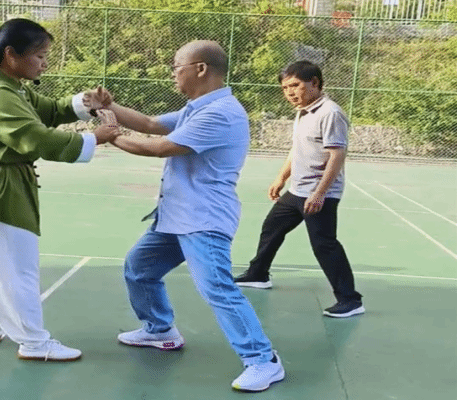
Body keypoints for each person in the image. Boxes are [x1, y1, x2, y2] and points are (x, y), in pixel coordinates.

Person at [85, 40, 285, 392]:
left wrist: (110, 135)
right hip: (176, 215)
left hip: (203, 219)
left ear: (201, 69)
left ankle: (263, 360)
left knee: (217, 288)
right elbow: (150, 123)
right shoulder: (197, 108)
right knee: (139, 268)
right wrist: (108, 106)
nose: (173, 73)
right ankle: (160, 330)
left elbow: (161, 147)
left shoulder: (220, 113)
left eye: (177, 66)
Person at [0, 18, 119, 361]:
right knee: (16, 268)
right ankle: (34, 342)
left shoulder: (10, 87)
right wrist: (92, 139)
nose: (44, 63)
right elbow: (33, 137)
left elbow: (49, 111)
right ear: (11, 54)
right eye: (39, 56)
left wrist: (87, 102)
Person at [234, 60, 364, 318]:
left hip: (319, 194)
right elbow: (297, 149)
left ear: (314, 83)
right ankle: (258, 274)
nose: (289, 92)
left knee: (324, 245)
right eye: (285, 88)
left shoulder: (330, 113)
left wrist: (320, 193)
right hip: (297, 191)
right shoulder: (303, 111)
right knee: (272, 227)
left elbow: (337, 155)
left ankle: (350, 300)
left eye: (295, 85)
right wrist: (280, 178)